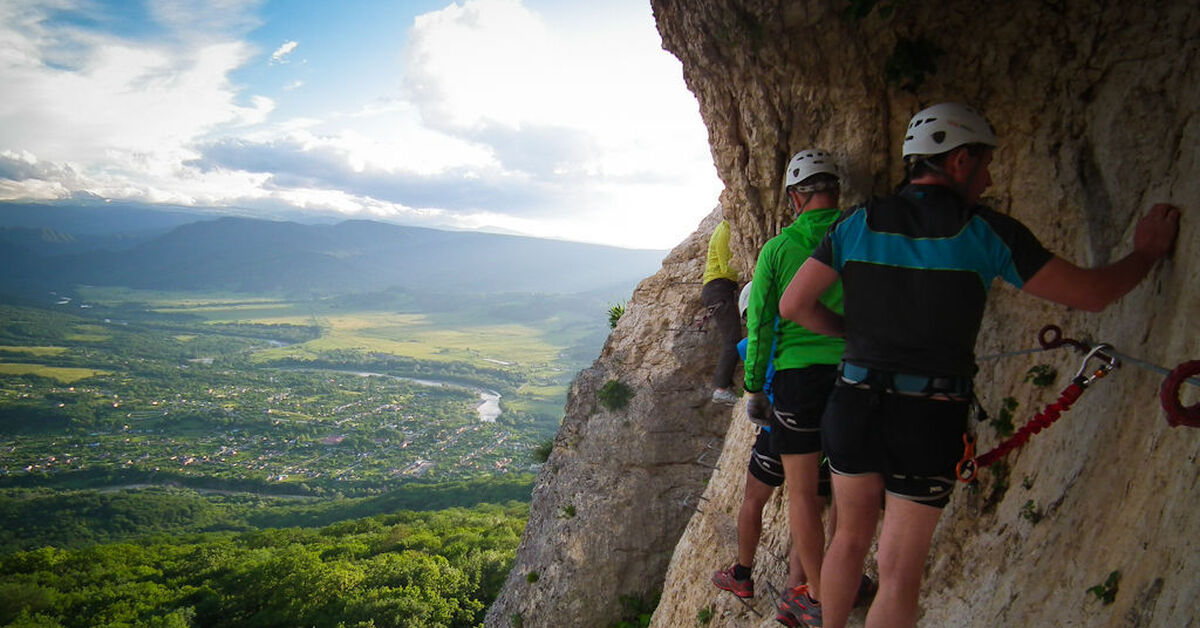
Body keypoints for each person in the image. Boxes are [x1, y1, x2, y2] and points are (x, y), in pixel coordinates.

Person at [779, 102, 1181, 628]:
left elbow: (794, 306)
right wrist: (1147, 253)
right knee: (899, 574)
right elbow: (1093, 293)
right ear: (960, 160)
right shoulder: (985, 231)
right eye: (985, 163)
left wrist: (852, 335)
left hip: (854, 400)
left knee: (849, 539)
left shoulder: (859, 222)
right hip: (929, 413)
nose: (989, 177)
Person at [743, 149, 848, 626]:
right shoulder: (857, 234)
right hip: (857, 372)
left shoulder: (780, 249)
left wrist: (753, 389)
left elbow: (761, 322)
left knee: (804, 494)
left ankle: (820, 596)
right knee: (849, 486)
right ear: (835, 190)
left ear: (793, 197)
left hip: (799, 379)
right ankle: (842, 577)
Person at [702, 217, 742, 405]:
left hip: (717, 289)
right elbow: (728, 267)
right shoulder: (725, 232)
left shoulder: (722, 229)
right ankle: (721, 388)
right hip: (720, 288)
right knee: (732, 339)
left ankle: (725, 384)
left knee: (731, 337)